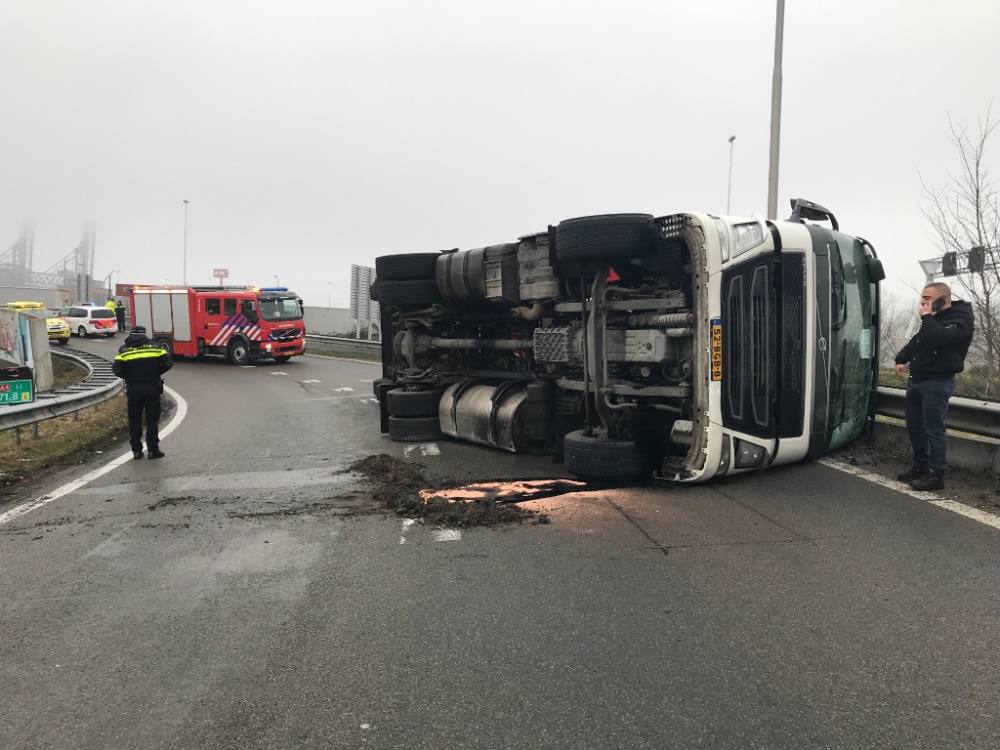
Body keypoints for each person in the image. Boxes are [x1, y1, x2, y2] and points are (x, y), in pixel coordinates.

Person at [894, 282, 974, 490]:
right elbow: (918, 341)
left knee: (933, 429)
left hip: (937, 382)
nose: (922, 303)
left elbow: (943, 338)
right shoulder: (932, 320)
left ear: (943, 299)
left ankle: (935, 475)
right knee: (914, 426)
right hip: (917, 380)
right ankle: (920, 467)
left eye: (927, 299)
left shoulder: (961, 318)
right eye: (922, 299)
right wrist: (901, 359)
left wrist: (927, 316)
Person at [112, 326, 173, 459]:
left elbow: (116, 368)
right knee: (152, 420)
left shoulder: (124, 350)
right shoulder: (157, 347)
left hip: (134, 389)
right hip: (152, 387)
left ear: (131, 334)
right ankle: (153, 450)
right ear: (145, 335)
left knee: (135, 420)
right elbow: (168, 363)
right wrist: (155, 373)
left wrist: (129, 377)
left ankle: (136, 451)